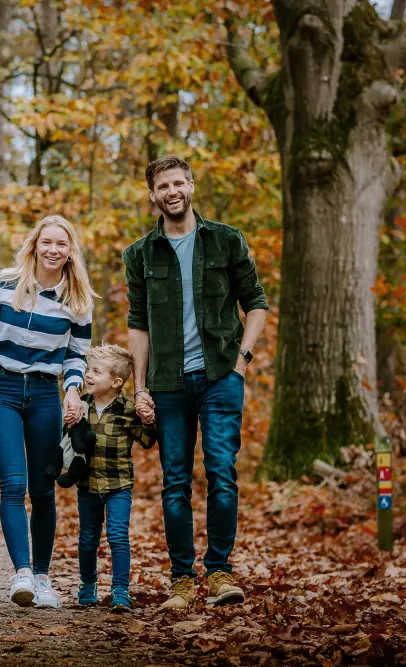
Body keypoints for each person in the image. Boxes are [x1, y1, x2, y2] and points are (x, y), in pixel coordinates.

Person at [123, 155, 268, 610]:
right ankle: (182, 579)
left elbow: (257, 303)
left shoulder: (226, 240)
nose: (172, 191)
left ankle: (220, 571)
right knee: (175, 482)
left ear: (191, 185)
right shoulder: (139, 254)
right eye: (163, 185)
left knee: (222, 474)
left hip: (221, 376)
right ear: (153, 195)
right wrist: (139, 387)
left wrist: (241, 361)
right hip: (167, 383)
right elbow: (137, 324)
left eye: (179, 182)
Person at [0, 215, 96, 608]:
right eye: (47, 242)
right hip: (1, 390)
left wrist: (73, 390)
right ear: (34, 245)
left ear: (70, 252)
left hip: (45, 395)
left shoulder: (78, 298)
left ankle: (43, 578)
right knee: (13, 486)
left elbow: (77, 354)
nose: (53, 250)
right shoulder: (5, 282)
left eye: (62, 244)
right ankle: (20, 573)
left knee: (43, 489)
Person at [65, 344, 156, 611]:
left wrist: (148, 420)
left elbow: (148, 441)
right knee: (87, 538)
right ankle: (87, 585)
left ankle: (119, 590)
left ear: (116, 382)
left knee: (117, 536)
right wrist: (69, 421)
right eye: (88, 369)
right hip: (88, 485)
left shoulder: (128, 410)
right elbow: (70, 440)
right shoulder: (81, 404)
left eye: (96, 371)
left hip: (119, 485)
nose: (88, 375)